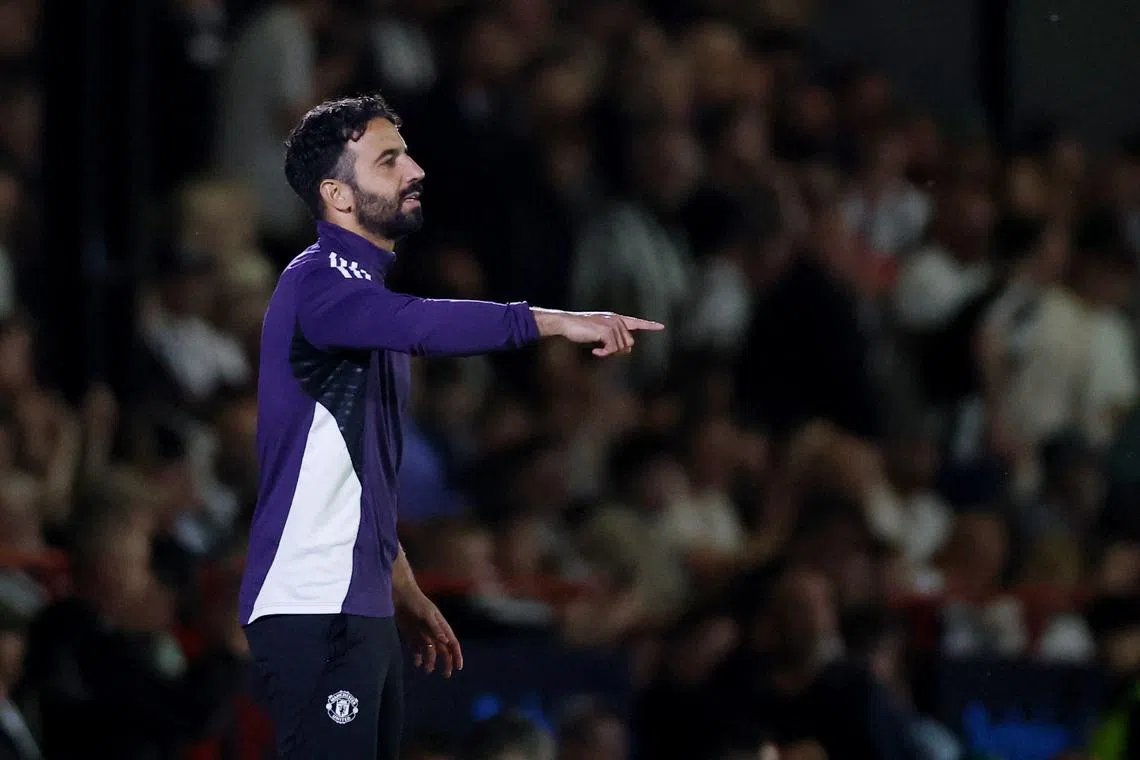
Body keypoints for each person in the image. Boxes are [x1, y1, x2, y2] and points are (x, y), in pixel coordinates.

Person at [239, 93, 664, 759]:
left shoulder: (363, 298)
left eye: (406, 155)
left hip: (361, 599)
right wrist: (553, 321)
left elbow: (358, 470)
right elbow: (425, 324)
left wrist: (400, 580)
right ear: (337, 193)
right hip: (315, 603)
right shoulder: (319, 282)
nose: (414, 171)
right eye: (388, 161)